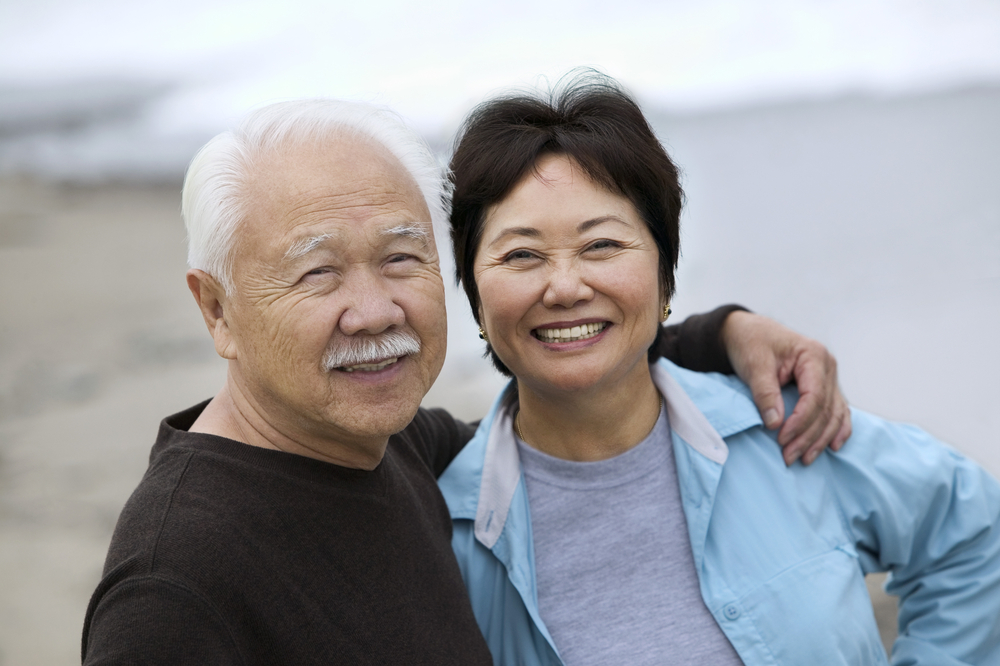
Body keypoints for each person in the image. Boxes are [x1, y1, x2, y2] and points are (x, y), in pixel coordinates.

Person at [82, 99, 848, 665]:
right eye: (318, 273)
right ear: (217, 309)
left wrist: (720, 335)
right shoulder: (173, 587)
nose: (375, 311)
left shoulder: (394, 444)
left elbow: (561, 386)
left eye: (401, 258)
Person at [439, 73, 1000, 665]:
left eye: (601, 245)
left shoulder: (783, 429)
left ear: (665, 278)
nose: (565, 287)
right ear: (475, 297)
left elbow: (971, 529)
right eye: (521, 254)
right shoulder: (443, 527)